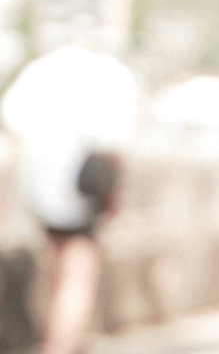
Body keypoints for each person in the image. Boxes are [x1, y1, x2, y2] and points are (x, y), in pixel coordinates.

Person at [0, 45, 137, 354]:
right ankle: (61, 345)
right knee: (79, 268)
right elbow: (113, 145)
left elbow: (13, 122)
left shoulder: (42, 68)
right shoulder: (108, 73)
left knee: (57, 260)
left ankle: (55, 338)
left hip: (39, 182)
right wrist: (115, 197)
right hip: (81, 182)